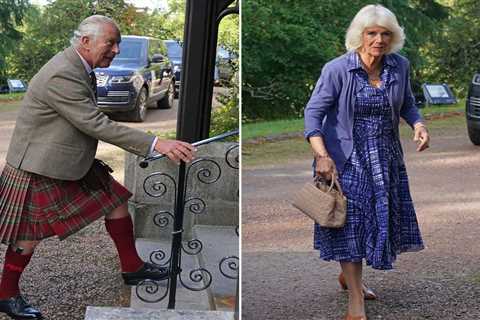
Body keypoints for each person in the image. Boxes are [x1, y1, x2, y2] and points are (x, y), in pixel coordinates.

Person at [0, 15, 195, 320]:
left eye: (117, 43)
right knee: (29, 234)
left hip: (67, 158)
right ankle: (6, 295)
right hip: (41, 165)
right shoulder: (62, 73)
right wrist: (157, 143)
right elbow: (94, 123)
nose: (116, 50)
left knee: (116, 201)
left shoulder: (79, 65)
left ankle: (132, 267)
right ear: (85, 41)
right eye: (111, 42)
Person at [304, 5, 430, 320]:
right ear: (360, 35)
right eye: (372, 33)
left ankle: (349, 277)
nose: (379, 40)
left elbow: (409, 104)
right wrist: (322, 155)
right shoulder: (337, 69)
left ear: (394, 37)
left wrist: (418, 125)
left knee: (376, 220)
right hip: (344, 159)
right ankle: (356, 303)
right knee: (352, 224)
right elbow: (313, 114)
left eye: (386, 34)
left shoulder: (399, 67)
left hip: (385, 159)